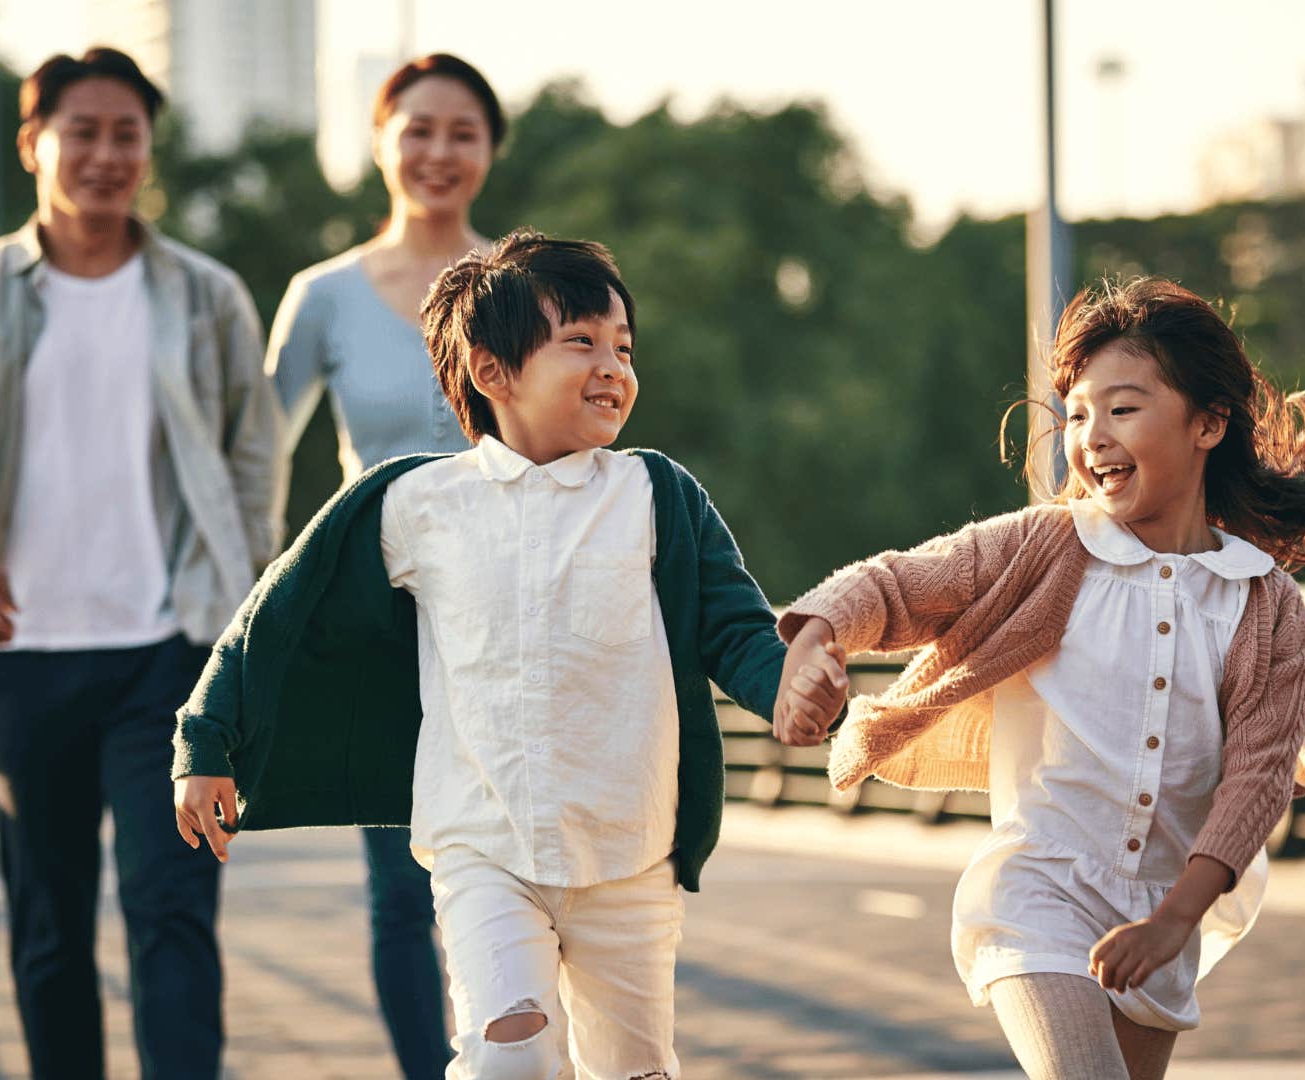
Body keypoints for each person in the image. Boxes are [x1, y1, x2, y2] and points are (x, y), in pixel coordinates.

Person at [172, 231, 848, 1079]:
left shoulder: (655, 496)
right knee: (509, 1059)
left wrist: (788, 687)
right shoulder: (417, 503)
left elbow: (734, 629)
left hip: (629, 853)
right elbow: (276, 614)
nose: (613, 367)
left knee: (636, 1071)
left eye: (624, 348)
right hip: (482, 847)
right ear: (493, 373)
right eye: (581, 343)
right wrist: (207, 739)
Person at [773, 277, 1305, 1080]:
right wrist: (816, 638)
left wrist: (1175, 920)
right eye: (1077, 413)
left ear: (1208, 424)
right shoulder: (1046, 548)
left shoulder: (1265, 604)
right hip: (1036, 887)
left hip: (1166, 906)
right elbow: (900, 584)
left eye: (1122, 409)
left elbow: (1257, 777)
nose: (1091, 437)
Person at [0, 47, 283, 1080]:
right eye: (83, 132)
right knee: (51, 927)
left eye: (128, 135)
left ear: (149, 149)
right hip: (27, 654)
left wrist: (248, 622)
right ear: (34, 145)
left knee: (172, 913)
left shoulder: (206, 297)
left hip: (176, 655)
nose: (107, 155)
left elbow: (255, 460)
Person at [265, 53, 503, 1075]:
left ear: (490, 150)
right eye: (418, 129)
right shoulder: (320, 296)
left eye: (462, 132)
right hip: (381, 625)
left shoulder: (526, 285)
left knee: (520, 871)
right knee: (402, 889)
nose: (438, 151)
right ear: (379, 141)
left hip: (514, 617)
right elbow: (252, 457)